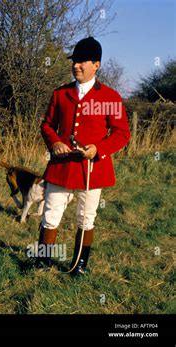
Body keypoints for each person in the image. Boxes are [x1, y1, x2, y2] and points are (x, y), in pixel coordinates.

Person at [38, 37, 131, 276]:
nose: (76, 65)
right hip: (62, 167)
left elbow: (122, 133)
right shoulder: (60, 94)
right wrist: (55, 142)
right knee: (51, 214)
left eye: (81, 62)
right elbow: (47, 125)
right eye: (74, 61)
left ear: (96, 65)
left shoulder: (109, 98)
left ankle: (79, 265)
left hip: (92, 168)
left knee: (86, 218)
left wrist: (98, 149)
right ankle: (43, 262)